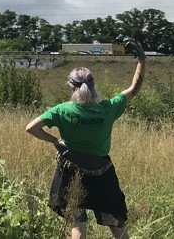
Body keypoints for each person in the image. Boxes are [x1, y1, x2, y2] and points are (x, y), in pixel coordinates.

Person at [25, 43, 146, 239]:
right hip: (102, 174)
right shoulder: (108, 109)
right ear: (93, 84)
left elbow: (31, 128)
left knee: (78, 226)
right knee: (115, 224)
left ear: (71, 86)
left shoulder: (62, 110)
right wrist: (142, 61)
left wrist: (55, 141)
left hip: (71, 172)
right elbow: (134, 88)